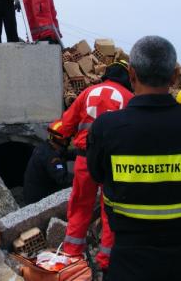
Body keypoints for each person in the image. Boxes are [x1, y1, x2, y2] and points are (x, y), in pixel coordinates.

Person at [87, 36, 181, 280]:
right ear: (174, 76)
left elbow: (96, 174)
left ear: (132, 75)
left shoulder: (106, 128)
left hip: (128, 261)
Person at [61, 60, 133, 273]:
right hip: (115, 163)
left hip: (85, 160)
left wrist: (61, 141)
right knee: (111, 210)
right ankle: (107, 261)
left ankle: (72, 254)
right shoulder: (129, 98)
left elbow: (66, 125)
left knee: (80, 204)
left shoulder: (88, 92)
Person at [23, 119, 75, 204]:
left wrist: (83, 153)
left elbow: (66, 154)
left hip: (34, 195)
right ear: (60, 140)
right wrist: (83, 178)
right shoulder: (51, 157)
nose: (69, 143)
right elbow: (63, 179)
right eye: (67, 140)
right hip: (39, 202)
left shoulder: (47, 147)